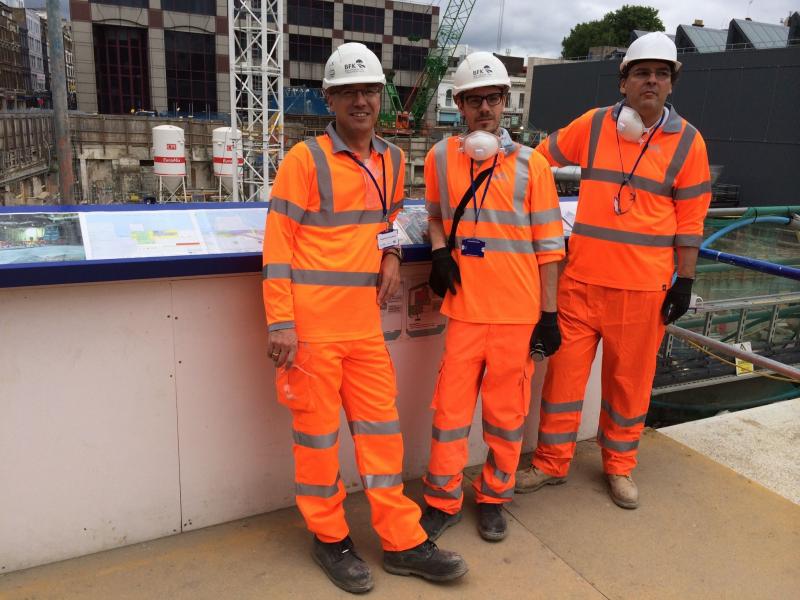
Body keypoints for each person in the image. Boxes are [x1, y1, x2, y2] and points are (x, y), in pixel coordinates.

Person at [262, 43, 467, 594]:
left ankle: (401, 541)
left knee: (382, 436)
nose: (361, 100)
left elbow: (392, 217)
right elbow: (278, 244)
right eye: (349, 91)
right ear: (329, 98)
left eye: (369, 90)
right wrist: (280, 322)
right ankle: (329, 538)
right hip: (311, 332)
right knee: (318, 440)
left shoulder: (392, 159)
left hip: (364, 328)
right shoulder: (304, 160)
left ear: (381, 96)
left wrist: (395, 255)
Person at [515, 32, 712, 509]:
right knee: (562, 380)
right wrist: (536, 220)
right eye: (641, 72)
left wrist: (684, 281)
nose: (651, 81)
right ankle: (550, 462)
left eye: (660, 74)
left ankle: (619, 468)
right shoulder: (594, 125)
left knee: (629, 386)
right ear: (623, 82)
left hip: (644, 291)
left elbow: (690, 223)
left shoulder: (688, 144)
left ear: (672, 84)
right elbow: (540, 162)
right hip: (580, 283)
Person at [420, 51, 565, 542]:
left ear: (506, 102)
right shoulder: (441, 157)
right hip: (464, 312)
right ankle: (441, 500)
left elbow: (549, 249)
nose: (484, 108)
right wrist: (440, 253)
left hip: (516, 317)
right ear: (459, 105)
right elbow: (436, 215)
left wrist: (549, 315)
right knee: (451, 413)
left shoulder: (533, 166)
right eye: (474, 99)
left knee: (506, 418)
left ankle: (493, 498)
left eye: (493, 99)